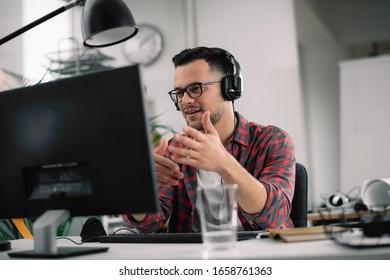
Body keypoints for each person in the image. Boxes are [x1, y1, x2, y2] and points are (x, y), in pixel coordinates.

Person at [123, 46, 296, 232]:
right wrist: (139, 188)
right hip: (196, 258)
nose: (185, 101)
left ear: (230, 88)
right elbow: (148, 224)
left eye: (195, 89)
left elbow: (274, 216)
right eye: (179, 93)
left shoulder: (272, 140)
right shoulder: (175, 150)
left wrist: (224, 164)